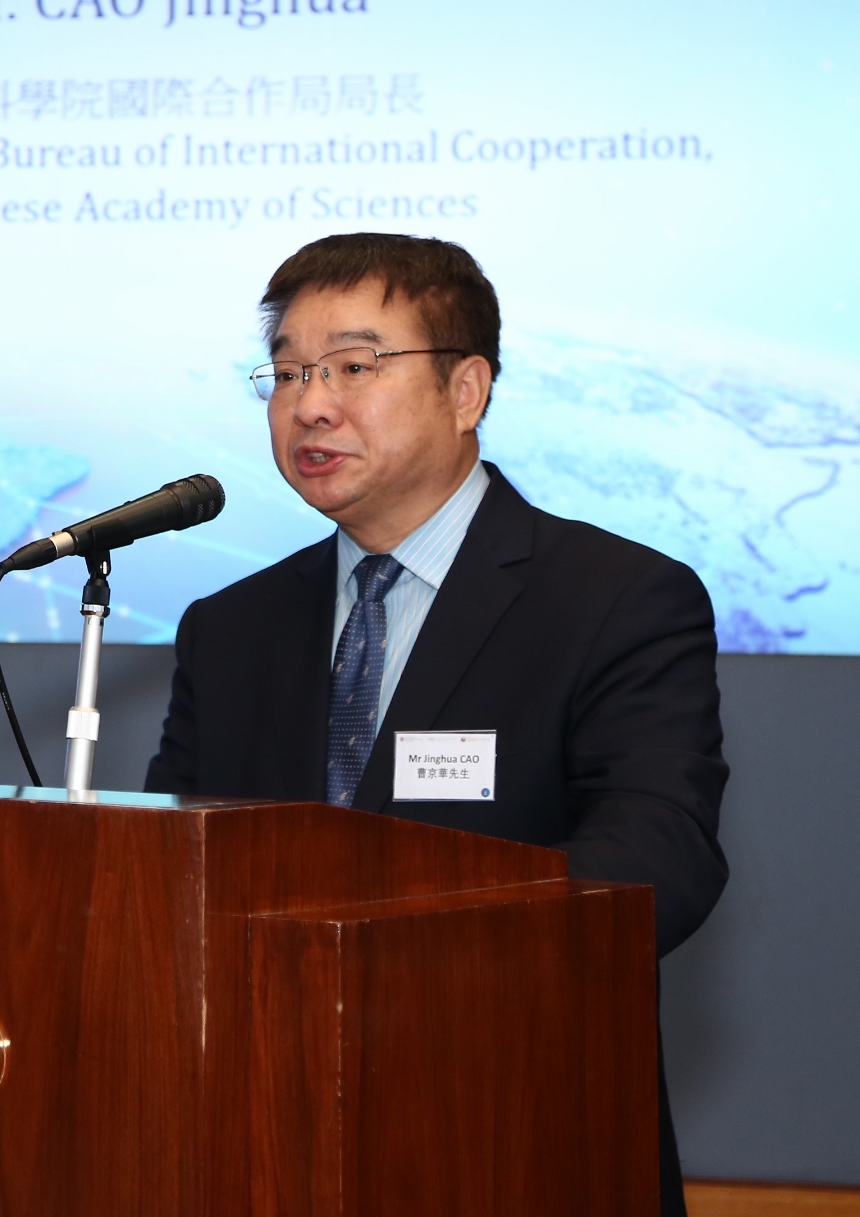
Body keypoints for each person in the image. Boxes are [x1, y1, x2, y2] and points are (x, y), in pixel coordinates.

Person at [145, 231, 727, 1217]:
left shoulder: (617, 598)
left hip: (516, 1136)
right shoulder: (231, 629)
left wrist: (385, 966)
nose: (310, 403)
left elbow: (658, 860)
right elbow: (173, 874)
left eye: (354, 367)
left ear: (467, 390)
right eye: (285, 373)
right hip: (257, 1147)